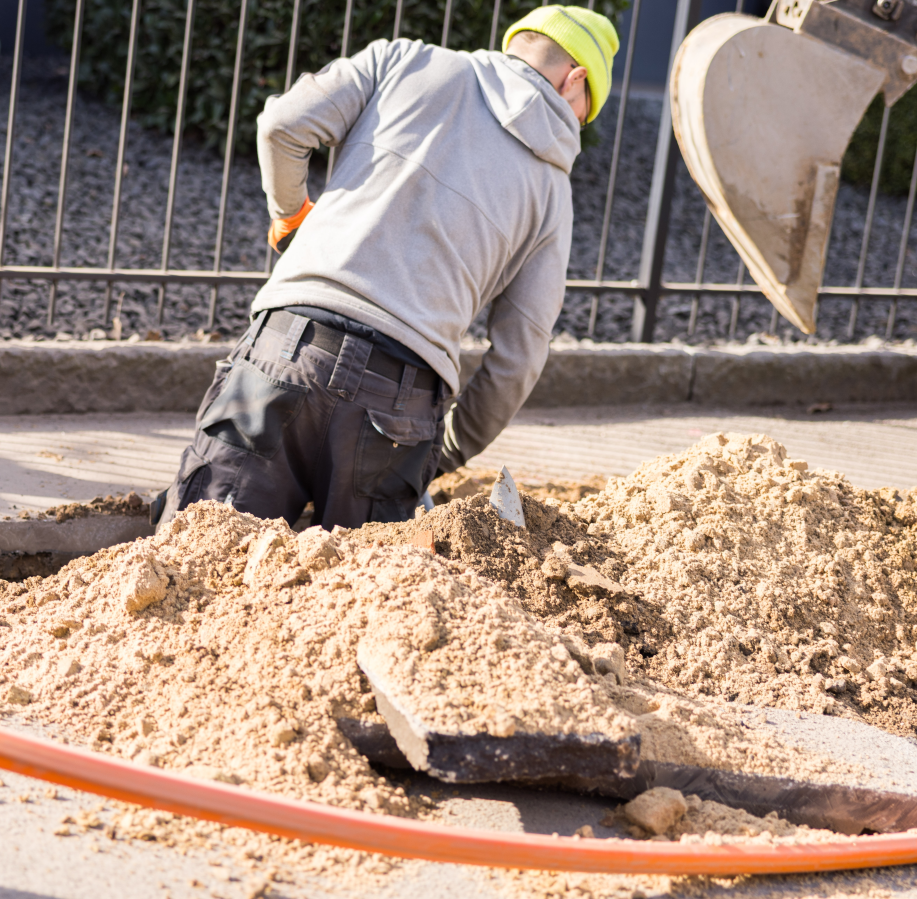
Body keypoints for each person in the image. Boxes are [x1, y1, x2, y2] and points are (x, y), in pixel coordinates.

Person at [153, 5, 618, 530]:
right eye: (584, 111)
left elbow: (282, 126)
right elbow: (521, 354)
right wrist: (441, 453)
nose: (575, 126)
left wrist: (289, 217)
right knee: (365, 599)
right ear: (573, 79)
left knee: (191, 560)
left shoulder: (406, 60)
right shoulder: (553, 196)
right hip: (400, 403)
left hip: (287, 347)